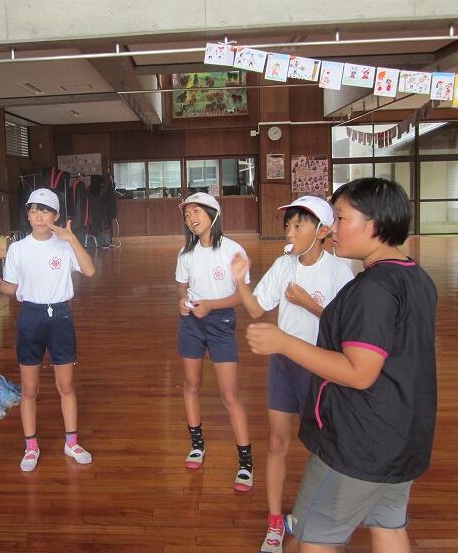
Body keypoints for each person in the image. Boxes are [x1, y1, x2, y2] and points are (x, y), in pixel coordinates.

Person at [246, 178, 437, 553]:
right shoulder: (417, 278)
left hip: (361, 444)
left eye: (341, 218)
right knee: (388, 527)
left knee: (312, 538)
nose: (332, 227)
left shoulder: (372, 290)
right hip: (404, 438)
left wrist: (284, 342)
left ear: (374, 224)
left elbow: (359, 373)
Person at [231, 196, 354, 553]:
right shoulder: (283, 265)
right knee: (276, 443)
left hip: (320, 366)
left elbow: (345, 328)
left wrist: (308, 304)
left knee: (325, 447)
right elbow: (257, 309)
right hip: (283, 364)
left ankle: (323, 521)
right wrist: (241, 281)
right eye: (288, 225)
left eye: (299, 225)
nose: (290, 231)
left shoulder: (339, 272)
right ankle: (275, 523)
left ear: (322, 231)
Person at [0, 188, 95, 472]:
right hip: (30, 317)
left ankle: (72, 442)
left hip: (60, 316)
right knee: (29, 388)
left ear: (56, 216)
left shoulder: (64, 245)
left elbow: (89, 271)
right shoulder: (18, 249)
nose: (39, 216)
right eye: (34, 211)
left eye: (45, 211)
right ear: (28, 215)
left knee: (66, 385)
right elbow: (13, 288)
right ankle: (31, 446)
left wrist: (72, 239)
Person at [175, 192, 254, 492]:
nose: (191, 218)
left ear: (213, 214)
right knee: (191, 384)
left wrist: (211, 305)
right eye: (187, 214)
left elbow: (243, 296)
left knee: (229, 393)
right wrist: (183, 301)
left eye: (197, 211)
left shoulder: (233, 251)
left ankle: (245, 461)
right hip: (191, 323)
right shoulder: (186, 253)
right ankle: (197, 444)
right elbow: (182, 287)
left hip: (221, 323)